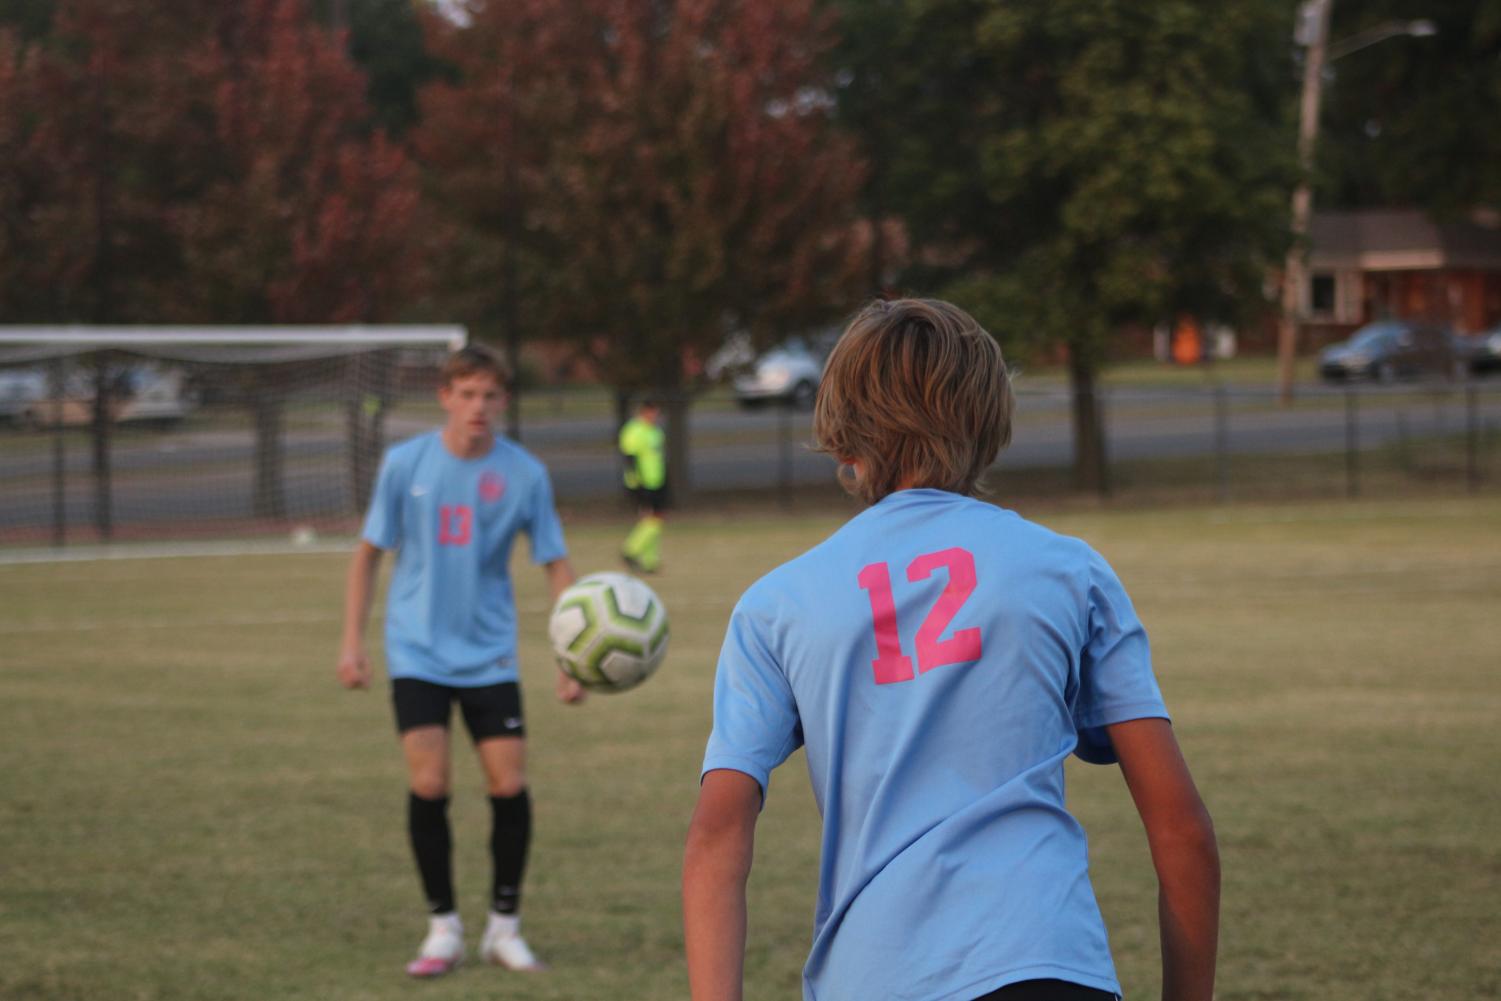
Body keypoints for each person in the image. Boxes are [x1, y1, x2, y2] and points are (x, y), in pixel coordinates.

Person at [683, 299, 1219, 1001]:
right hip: (1044, 963)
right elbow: (1180, 829)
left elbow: (715, 839)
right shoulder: (1067, 569)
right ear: (990, 420)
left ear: (841, 433)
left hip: (872, 976)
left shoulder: (776, 604)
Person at [338, 343, 586, 978]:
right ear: (445, 397)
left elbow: (556, 564)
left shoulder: (525, 473)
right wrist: (352, 643)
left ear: (504, 401)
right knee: (430, 784)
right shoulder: (404, 464)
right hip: (416, 648)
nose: (479, 406)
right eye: (467, 394)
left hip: (491, 654)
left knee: (509, 785)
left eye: (491, 395)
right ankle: (442, 927)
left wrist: (570, 654)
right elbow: (367, 555)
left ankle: (504, 927)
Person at [618, 396, 667, 573]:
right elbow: (629, 459)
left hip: (657, 481)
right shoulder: (633, 431)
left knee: (656, 520)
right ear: (644, 412)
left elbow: (658, 458)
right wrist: (635, 483)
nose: (655, 416)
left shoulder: (655, 432)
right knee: (651, 520)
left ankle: (649, 561)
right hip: (641, 483)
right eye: (652, 412)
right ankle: (630, 550)